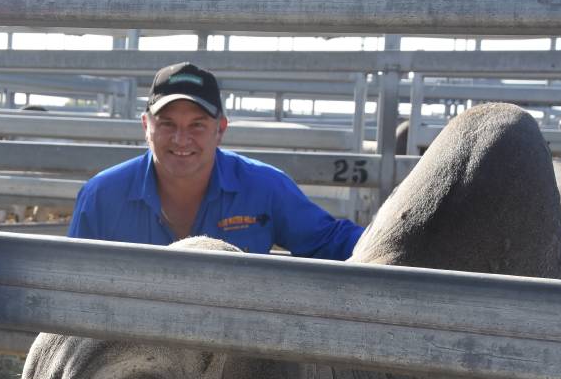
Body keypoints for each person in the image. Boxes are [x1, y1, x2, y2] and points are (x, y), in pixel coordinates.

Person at [69, 62, 364, 259]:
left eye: (197, 124)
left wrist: (399, 240)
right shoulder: (101, 196)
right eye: (168, 124)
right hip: (131, 346)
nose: (181, 139)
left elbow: (328, 241)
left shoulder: (264, 187)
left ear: (220, 129)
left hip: (229, 345)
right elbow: (69, 279)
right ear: (146, 126)